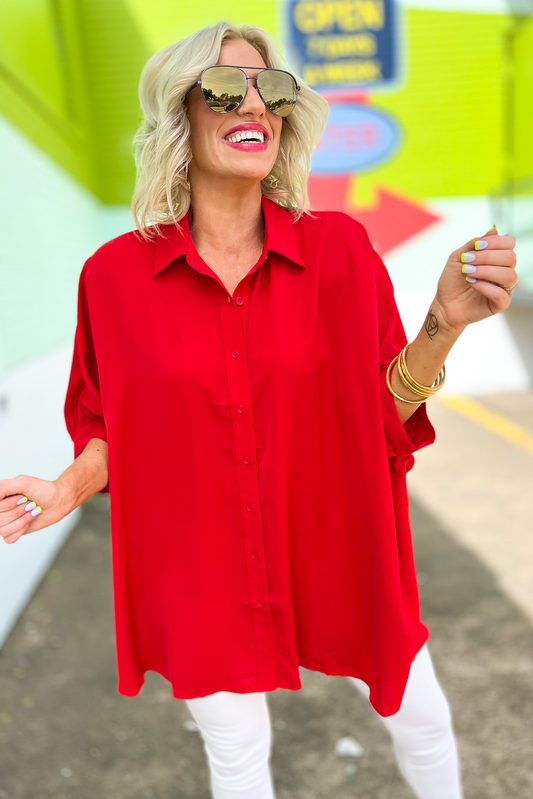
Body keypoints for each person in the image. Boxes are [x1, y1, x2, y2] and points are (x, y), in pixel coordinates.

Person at [0, 20, 518, 799]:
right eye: (222, 85)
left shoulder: (341, 250)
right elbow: (109, 424)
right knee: (238, 753)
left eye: (271, 89)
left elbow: (382, 405)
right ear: (180, 112)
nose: (254, 102)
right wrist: (66, 488)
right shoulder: (112, 278)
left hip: (337, 537)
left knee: (421, 715)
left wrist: (440, 325)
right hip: (200, 560)